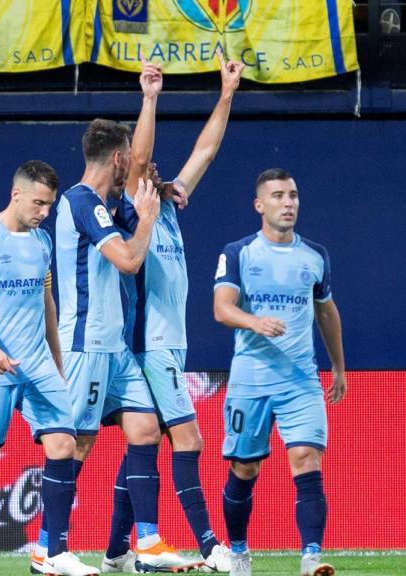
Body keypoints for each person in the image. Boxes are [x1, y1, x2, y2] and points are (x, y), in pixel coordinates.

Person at [101, 54, 245, 573]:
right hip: (149, 345)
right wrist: (150, 97)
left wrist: (226, 94)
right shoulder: (130, 212)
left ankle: (117, 551)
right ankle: (211, 547)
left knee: (143, 447)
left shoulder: (166, 210)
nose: (157, 171)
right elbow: (140, 160)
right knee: (189, 440)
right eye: (148, 170)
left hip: (169, 345)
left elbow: (205, 151)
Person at [51, 84, 202, 571]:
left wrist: (158, 189)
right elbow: (131, 260)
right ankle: (50, 548)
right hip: (86, 342)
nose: (131, 171)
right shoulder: (81, 202)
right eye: (128, 164)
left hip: (114, 347)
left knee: (146, 429)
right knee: (74, 444)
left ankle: (149, 543)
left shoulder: (105, 205)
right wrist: (149, 219)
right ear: (117, 159)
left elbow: (143, 168)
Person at [0, 160, 94, 576]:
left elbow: (47, 303)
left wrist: (57, 363)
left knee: (64, 443)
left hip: (38, 365)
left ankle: (55, 552)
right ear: (16, 195)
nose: (44, 212)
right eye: (38, 203)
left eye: (49, 205)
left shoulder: (42, 241)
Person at [213, 169, 346, 576]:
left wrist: (338, 366)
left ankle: (310, 558)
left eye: (293, 195)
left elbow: (326, 311)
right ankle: (238, 551)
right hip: (250, 381)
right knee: (244, 469)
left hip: (300, 381)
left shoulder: (315, 256)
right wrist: (255, 322)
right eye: (278, 196)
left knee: (307, 458)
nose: (288, 203)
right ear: (259, 205)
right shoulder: (239, 252)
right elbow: (222, 308)